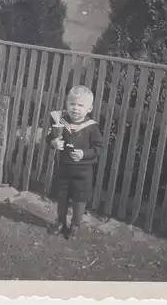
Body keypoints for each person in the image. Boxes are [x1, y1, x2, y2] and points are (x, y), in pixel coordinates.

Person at [46, 85, 104, 239]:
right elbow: (49, 137)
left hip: (83, 172)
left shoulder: (91, 128)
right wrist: (53, 143)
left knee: (79, 199)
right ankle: (61, 222)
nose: (75, 109)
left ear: (89, 108)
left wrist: (84, 154)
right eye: (72, 104)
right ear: (66, 104)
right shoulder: (61, 122)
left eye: (80, 105)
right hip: (63, 168)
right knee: (62, 197)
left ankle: (75, 225)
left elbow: (99, 148)